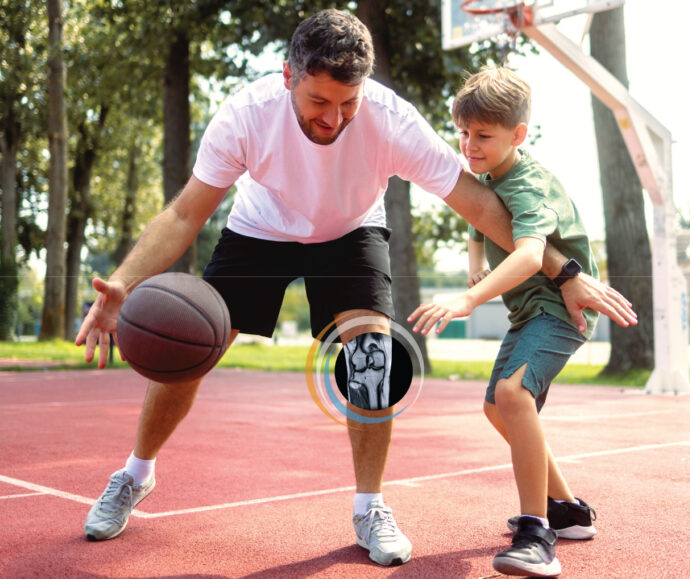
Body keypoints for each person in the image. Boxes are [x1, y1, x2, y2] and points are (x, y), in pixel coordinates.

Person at [76, 10, 636, 568]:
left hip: (350, 232)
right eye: (319, 102)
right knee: (192, 345)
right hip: (261, 229)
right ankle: (135, 474)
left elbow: (479, 204)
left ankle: (370, 506)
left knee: (374, 356)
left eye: (349, 102)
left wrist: (568, 273)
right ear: (289, 77)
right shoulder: (247, 115)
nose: (334, 117)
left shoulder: (391, 120)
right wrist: (123, 282)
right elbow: (184, 214)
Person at [409, 66, 603, 577]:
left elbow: (529, 255)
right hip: (528, 311)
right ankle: (568, 511)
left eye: (483, 136)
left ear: (517, 135)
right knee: (497, 408)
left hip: (561, 310)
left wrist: (470, 297)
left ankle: (537, 534)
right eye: (464, 133)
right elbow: (477, 217)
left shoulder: (529, 185)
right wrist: (476, 252)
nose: (470, 145)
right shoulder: (490, 172)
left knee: (514, 397)